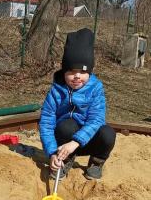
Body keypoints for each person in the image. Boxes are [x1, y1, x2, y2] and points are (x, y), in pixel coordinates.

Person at [39, 27, 116, 181]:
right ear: (64, 71)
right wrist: (52, 152)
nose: (77, 76)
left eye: (83, 71)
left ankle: (96, 163)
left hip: (85, 141)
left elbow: (96, 119)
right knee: (66, 125)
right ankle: (64, 160)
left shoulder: (95, 89)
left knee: (108, 134)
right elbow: (46, 122)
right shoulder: (56, 91)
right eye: (71, 71)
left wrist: (75, 142)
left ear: (90, 72)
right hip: (63, 143)